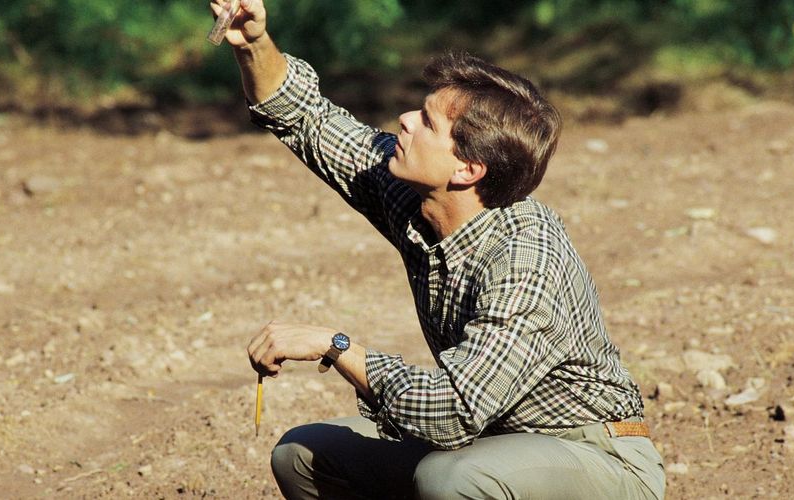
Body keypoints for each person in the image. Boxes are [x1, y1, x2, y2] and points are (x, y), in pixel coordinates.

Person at [218, 1, 665, 498]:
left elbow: (452, 413)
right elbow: (305, 117)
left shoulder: (526, 260)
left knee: (450, 479)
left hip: (596, 458)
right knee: (303, 455)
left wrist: (337, 346)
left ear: (467, 170)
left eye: (428, 123)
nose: (405, 120)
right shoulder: (412, 190)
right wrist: (255, 42)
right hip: (490, 440)